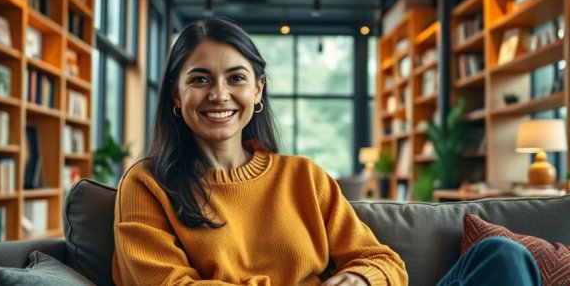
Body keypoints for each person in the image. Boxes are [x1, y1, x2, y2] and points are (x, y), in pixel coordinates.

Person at [112, 17, 541, 286]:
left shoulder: (303, 177)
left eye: (236, 78)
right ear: (175, 95)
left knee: (500, 256)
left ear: (257, 90)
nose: (219, 94)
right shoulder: (147, 185)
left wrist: (358, 278)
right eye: (200, 79)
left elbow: (384, 262)